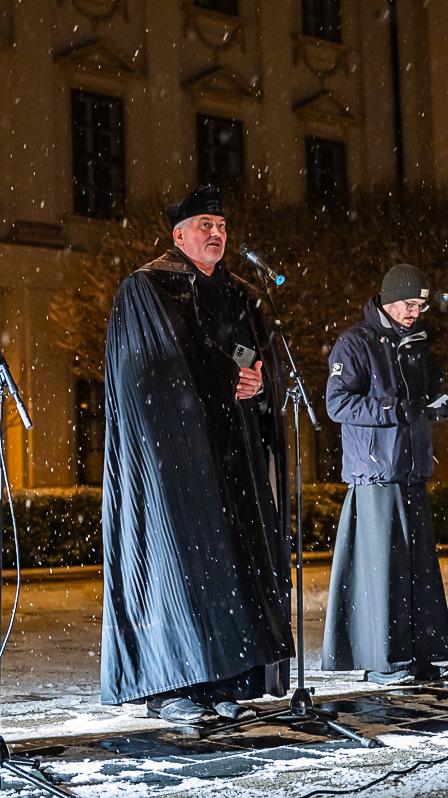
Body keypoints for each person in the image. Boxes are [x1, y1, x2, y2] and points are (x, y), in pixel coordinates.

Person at [101, 185, 294, 725]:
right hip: (174, 459)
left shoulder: (237, 294)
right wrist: (223, 378)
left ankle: (222, 680)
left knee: (228, 566)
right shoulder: (148, 288)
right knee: (177, 567)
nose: (216, 233)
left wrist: (260, 382)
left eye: (222, 225)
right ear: (179, 235)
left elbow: (257, 360)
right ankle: (171, 686)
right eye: (205, 225)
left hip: (229, 455)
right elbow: (150, 371)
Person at [321, 264, 448, 683]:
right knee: (384, 573)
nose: (414, 312)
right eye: (408, 304)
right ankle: (383, 660)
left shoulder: (416, 345)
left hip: (411, 470)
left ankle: (420, 653)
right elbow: (337, 403)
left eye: (420, 306)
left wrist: (441, 403)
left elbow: (424, 398)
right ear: (388, 300)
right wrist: (395, 409)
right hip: (376, 473)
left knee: (417, 571)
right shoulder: (355, 343)